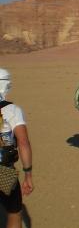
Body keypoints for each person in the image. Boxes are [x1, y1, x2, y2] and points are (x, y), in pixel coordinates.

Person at [0, 68, 34, 228]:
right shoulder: (12, 110)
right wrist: (28, 174)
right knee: (14, 212)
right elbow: (23, 142)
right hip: (3, 171)